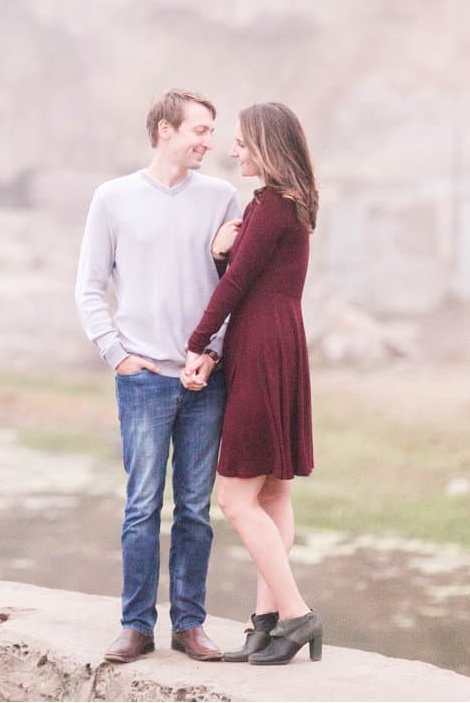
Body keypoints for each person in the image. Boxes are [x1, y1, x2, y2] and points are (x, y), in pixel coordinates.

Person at [75, 88, 242, 663]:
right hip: (142, 378)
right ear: (165, 130)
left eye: (211, 131)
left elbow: (232, 288)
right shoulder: (113, 198)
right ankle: (136, 626)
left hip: (204, 380)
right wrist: (116, 354)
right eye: (199, 129)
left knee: (195, 508)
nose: (208, 141)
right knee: (143, 503)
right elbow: (90, 286)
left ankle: (190, 625)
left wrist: (213, 353)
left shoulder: (223, 198)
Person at [183, 102, 323, 666]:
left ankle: (295, 615)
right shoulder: (290, 204)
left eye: (240, 142)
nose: (232, 150)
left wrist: (197, 342)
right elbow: (251, 276)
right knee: (273, 491)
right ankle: (264, 623)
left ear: (265, 144)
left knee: (235, 498)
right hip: (281, 339)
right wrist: (222, 251)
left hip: (262, 345)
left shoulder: (269, 206)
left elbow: (240, 284)